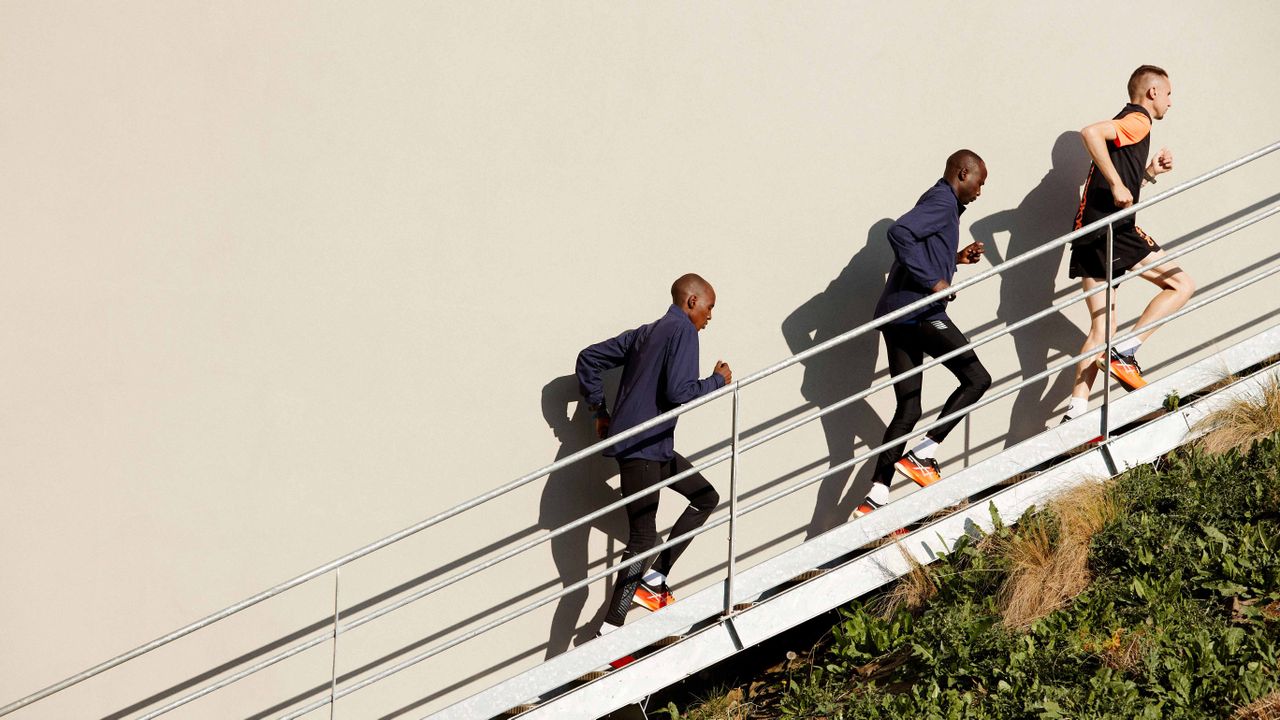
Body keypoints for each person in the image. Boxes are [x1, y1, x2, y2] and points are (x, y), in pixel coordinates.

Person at [576, 274, 732, 651]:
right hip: (644, 450)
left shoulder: (645, 333)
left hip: (655, 448)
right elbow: (677, 392)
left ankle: (656, 578)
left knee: (705, 496)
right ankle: (610, 632)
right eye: (709, 308)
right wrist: (716, 381)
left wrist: (601, 410)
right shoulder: (683, 331)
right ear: (691, 301)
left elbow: (588, 358)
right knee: (642, 538)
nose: (710, 317)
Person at [857, 150, 992, 517]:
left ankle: (876, 496)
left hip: (896, 315)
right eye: (979, 183)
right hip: (918, 313)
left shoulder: (940, 203)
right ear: (963, 173)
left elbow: (919, 246)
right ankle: (923, 453)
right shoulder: (941, 202)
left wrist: (956, 259)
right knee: (977, 378)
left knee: (909, 407)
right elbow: (898, 232)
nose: (980, 192)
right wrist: (935, 282)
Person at [1061, 65, 1194, 424]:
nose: (1171, 102)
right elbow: (1089, 133)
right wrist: (1120, 184)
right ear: (1152, 93)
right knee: (1181, 283)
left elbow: (1116, 180)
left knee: (1101, 329)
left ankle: (1076, 411)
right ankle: (1125, 352)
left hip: (1089, 234)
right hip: (1112, 231)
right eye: (1168, 93)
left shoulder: (1131, 124)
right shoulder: (1139, 120)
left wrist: (1147, 173)